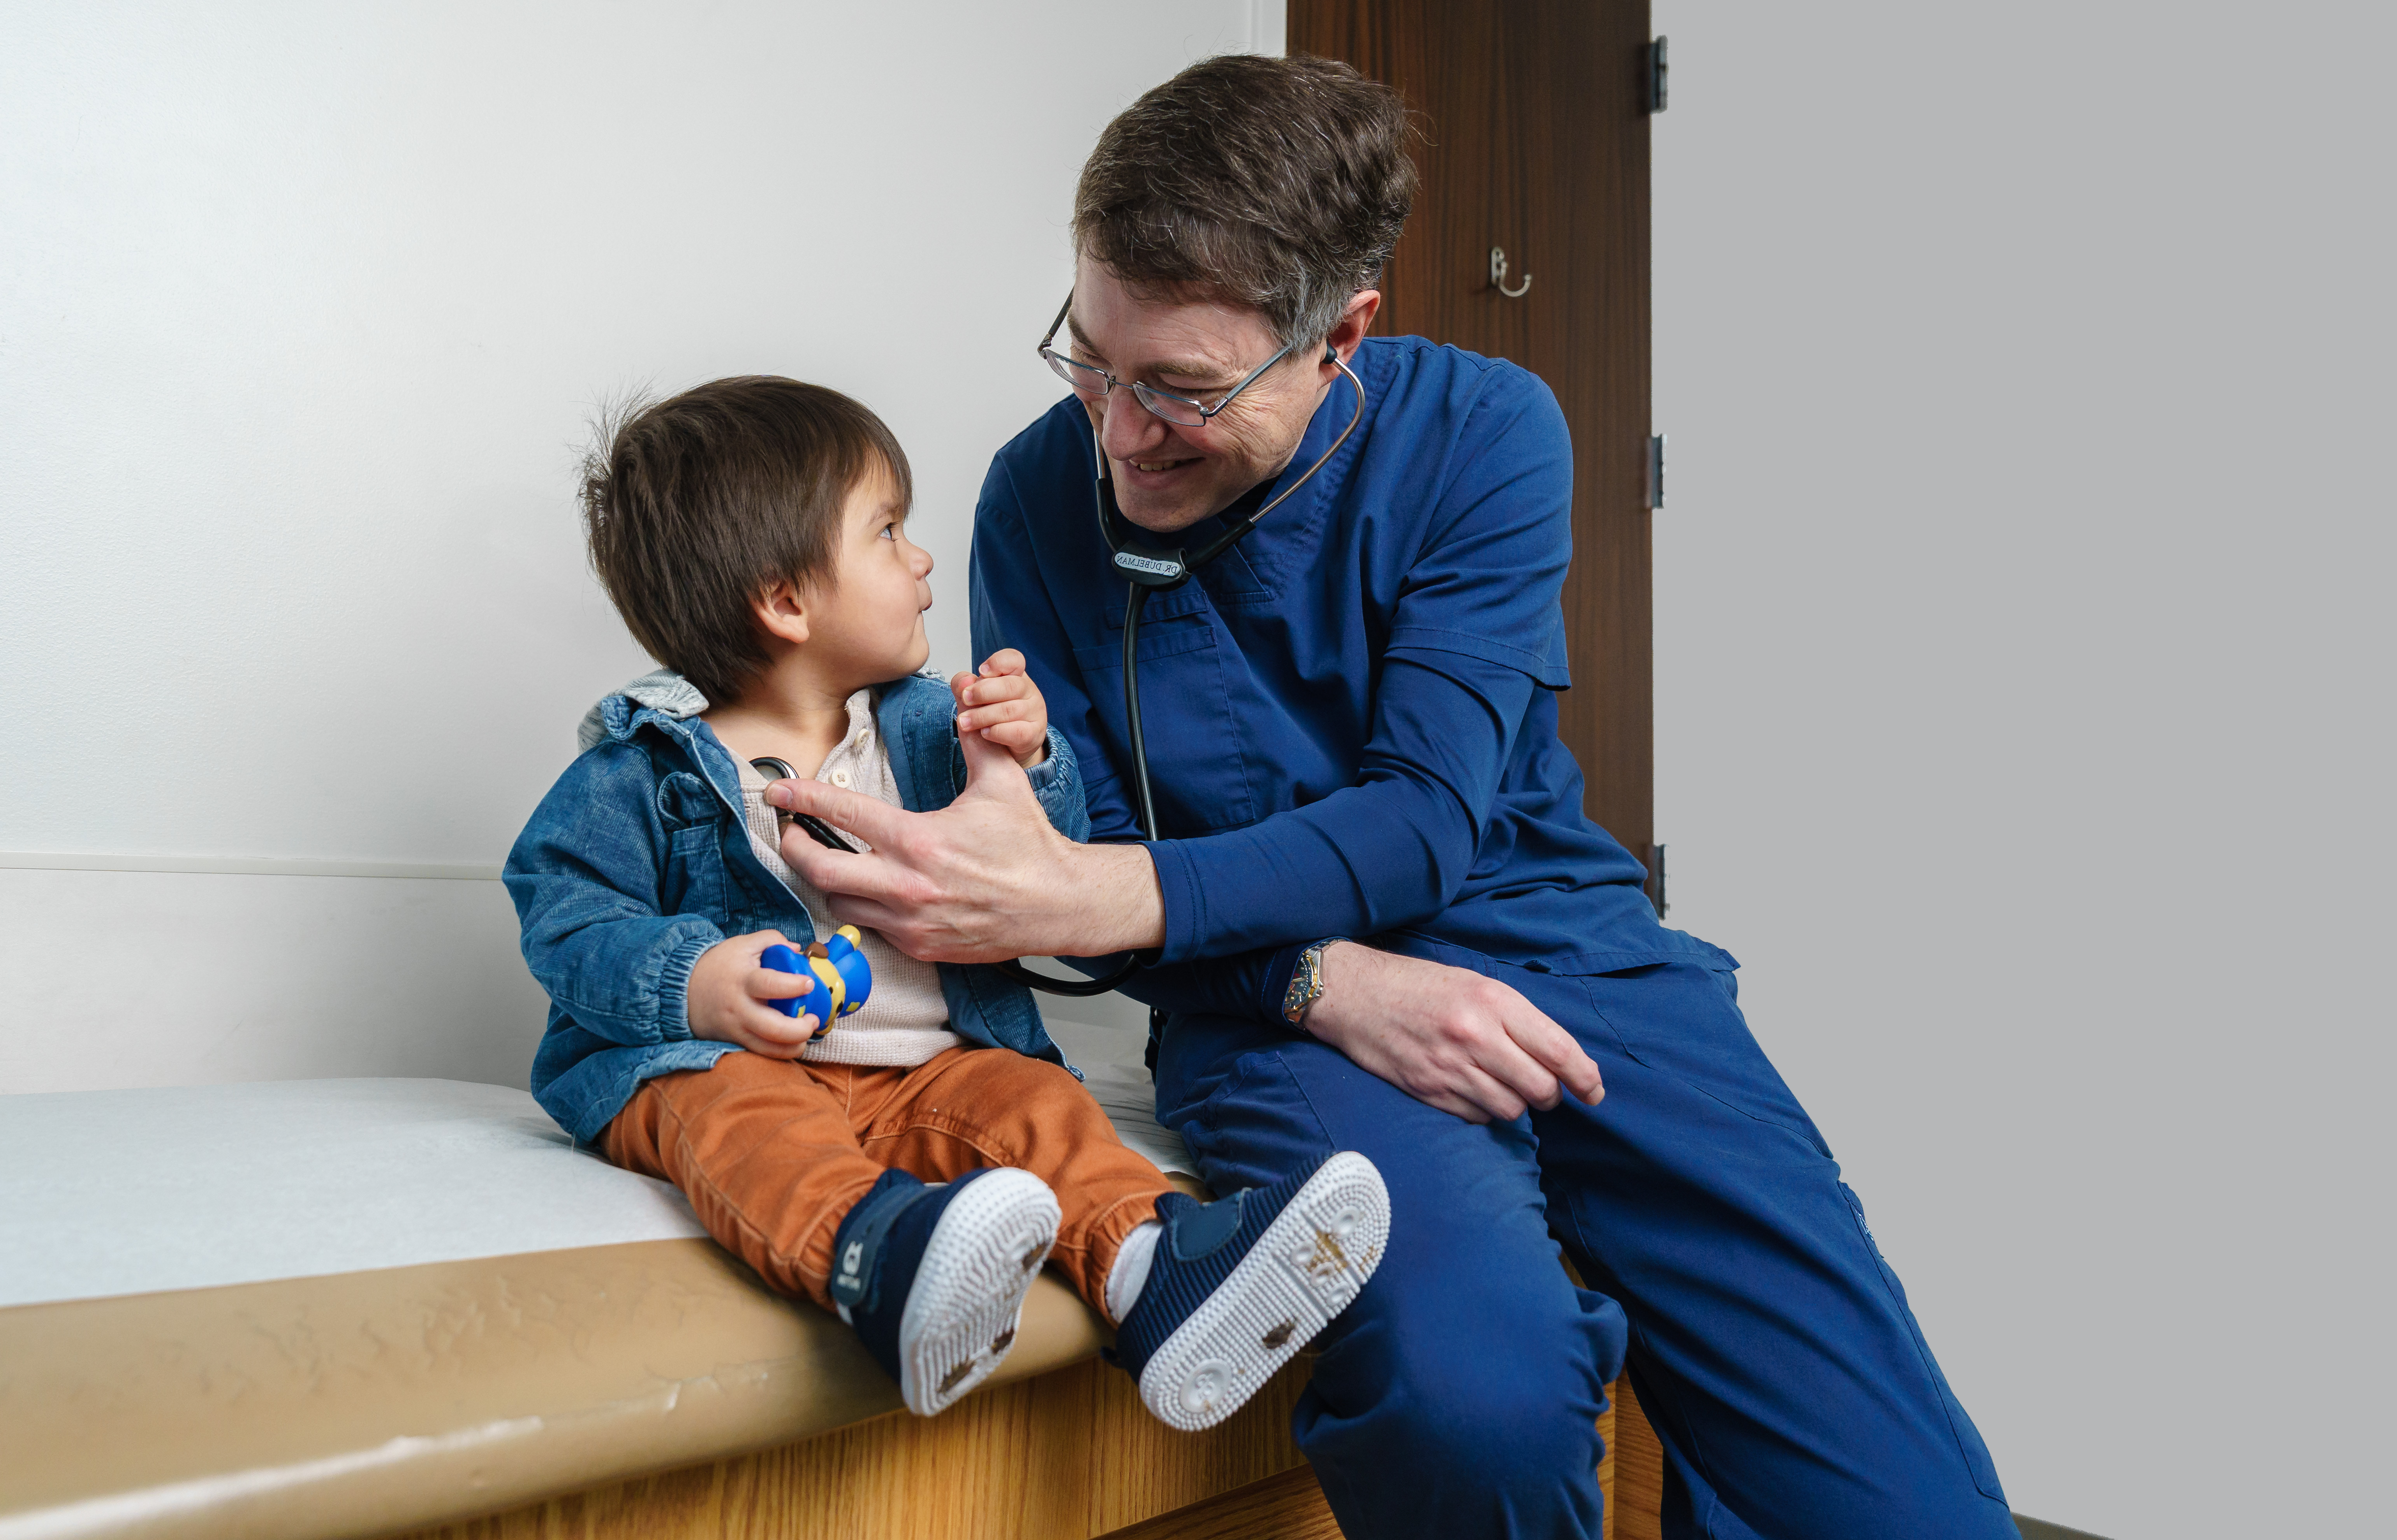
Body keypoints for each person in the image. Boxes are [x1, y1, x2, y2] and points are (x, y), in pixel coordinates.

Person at [764, 57, 2019, 1540]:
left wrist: (1091, 895)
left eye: (1180, 389)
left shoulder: (1487, 432)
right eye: (1089, 361)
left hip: (1572, 963)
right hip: (1273, 1011)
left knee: (1896, 1499)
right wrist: (1305, 976)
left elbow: (1420, 820)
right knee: (1469, 1408)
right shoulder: (1041, 497)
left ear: (1341, 335)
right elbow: (1056, 873)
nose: (1117, 432)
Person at [501, 375, 1390, 1430]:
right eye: (887, 533)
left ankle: (1155, 1271)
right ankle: (880, 1254)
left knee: (1031, 1103)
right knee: (734, 1114)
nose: (921, 560)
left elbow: (1038, 849)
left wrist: (1030, 756)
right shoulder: (641, 773)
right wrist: (691, 983)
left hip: (926, 1070)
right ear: (787, 600)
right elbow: (564, 917)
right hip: (740, 1067)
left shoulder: (926, 728)